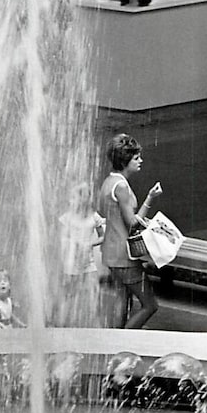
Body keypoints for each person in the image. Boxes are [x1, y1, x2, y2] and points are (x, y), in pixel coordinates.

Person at [97, 133, 162, 330]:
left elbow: (119, 217)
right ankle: (124, 340)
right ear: (126, 161)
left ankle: (115, 341)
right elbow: (132, 223)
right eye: (136, 158)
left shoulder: (109, 182)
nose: (140, 161)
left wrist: (149, 197)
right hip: (124, 257)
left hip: (111, 252)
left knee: (123, 301)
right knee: (149, 305)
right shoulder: (122, 187)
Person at [57, 183, 105, 326]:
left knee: (92, 294)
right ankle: (62, 324)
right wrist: (73, 246)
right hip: (71, 261)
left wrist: (90, 244)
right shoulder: (68, 217)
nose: (71, 201)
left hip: (88, 261)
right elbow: (62, 238)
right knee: (68, 294)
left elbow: (103, 236)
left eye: (74, 197)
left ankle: (91, 325)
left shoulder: (94, 217)